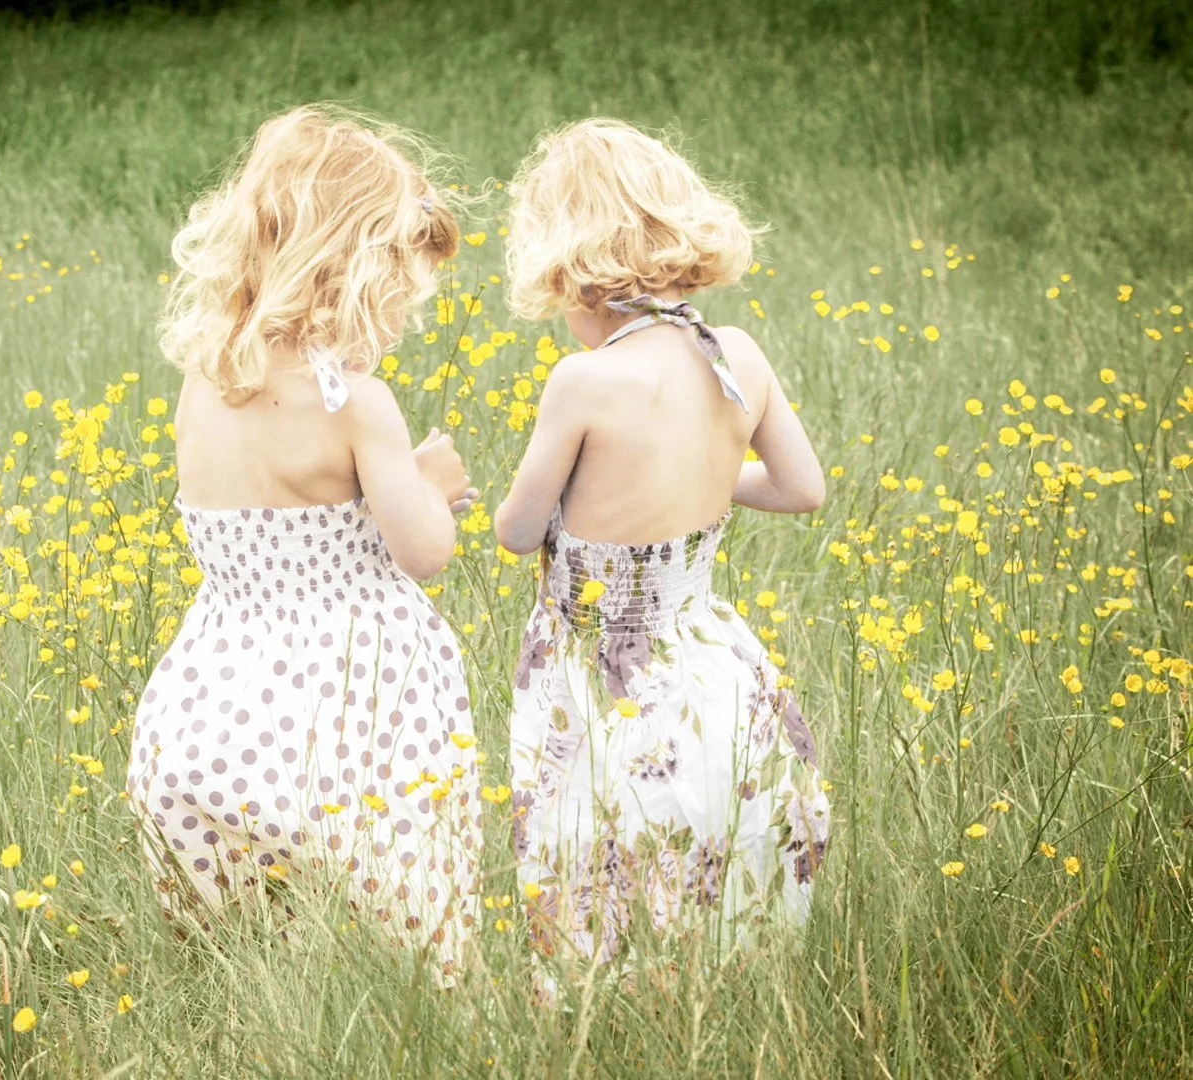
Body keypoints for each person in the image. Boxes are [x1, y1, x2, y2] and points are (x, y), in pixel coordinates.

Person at [127, 105, 483, 982]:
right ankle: (443, 1004)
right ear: (354, 269)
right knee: (406, 925)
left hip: (210, 710)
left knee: (251, 963)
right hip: (344, 706)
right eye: (401, 280)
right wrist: (430, 487)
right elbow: (423, 551)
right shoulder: (354, 402)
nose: (406, 306)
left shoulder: (207, 382)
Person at [494, 119, 831, 982]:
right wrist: (712, 486)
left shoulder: (586, 381)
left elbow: (519, 530)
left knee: (591, 844)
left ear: (573, 273)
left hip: (598, 667)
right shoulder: (738, 356)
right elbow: (800, 488)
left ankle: (592, 1006)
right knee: (705, 838)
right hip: (708, 656)